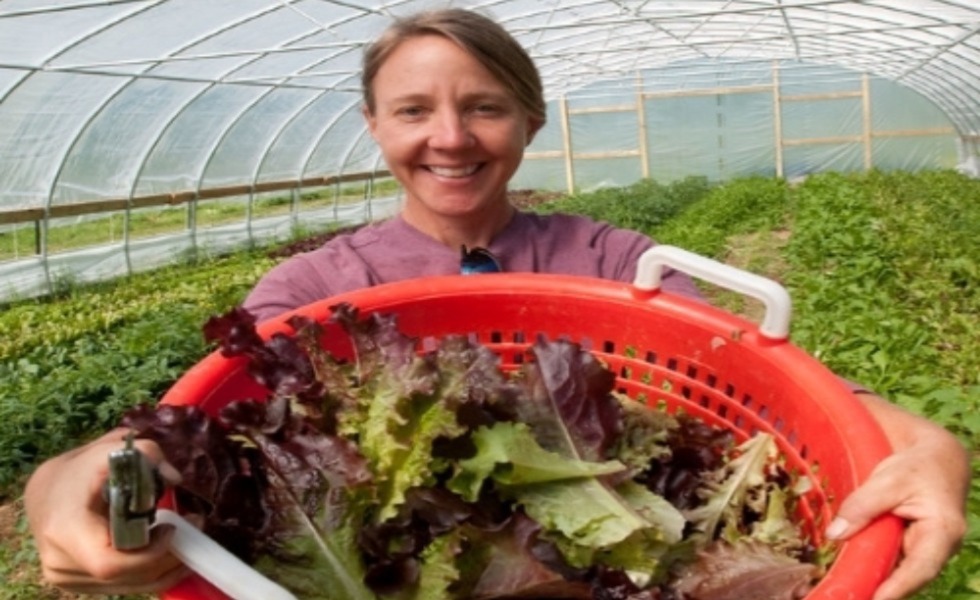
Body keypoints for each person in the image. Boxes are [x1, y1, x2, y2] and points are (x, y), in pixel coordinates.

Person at [24, 8, 969, 600]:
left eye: (483, 107)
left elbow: (745, 370)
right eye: (413, 111)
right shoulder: (315, 292)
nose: (450, 138)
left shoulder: (610, 260)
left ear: (529, 121)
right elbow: (175, 435)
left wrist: (927, 443)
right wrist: (66, 476)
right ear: (373, 126)